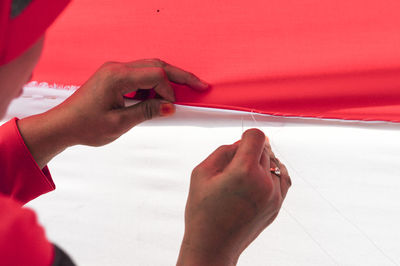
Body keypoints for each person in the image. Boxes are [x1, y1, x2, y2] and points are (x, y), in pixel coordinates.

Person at [0, 0, 291, 265]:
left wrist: (57, 128)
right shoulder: (14, 246)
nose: (32, 73)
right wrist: (211, 250)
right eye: (31, 35)